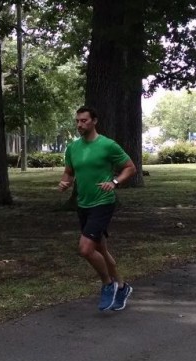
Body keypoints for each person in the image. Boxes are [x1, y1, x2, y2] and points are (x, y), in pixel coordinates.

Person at [58, 106, 137, 311]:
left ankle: (107, 284)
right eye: (77, 121)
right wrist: (65, 182)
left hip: (103, 202)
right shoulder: (72, 148)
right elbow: (69, 172)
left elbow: (130, 167)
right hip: (83, 203)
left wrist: (115, 182)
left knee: (85, 249)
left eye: (84, 121)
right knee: (100, 249)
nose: (79, 124)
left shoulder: (108, 145)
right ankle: (122, 287)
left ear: (94, 121)